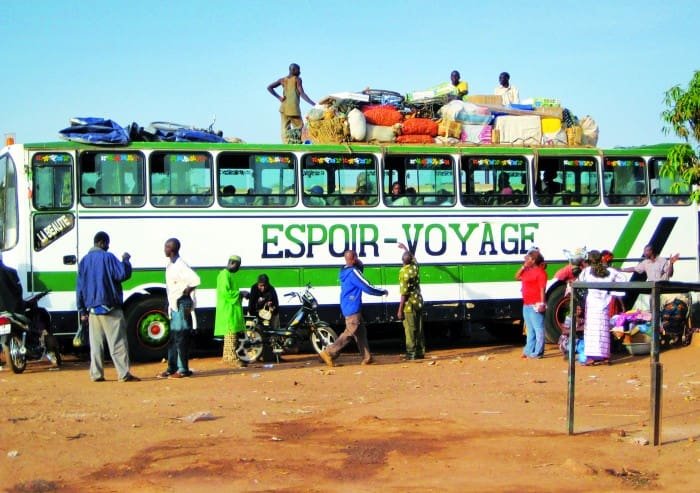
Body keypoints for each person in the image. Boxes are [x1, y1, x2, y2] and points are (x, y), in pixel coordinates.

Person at [76, 231, 140, 382]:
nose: (108, 246)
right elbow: (122, 274)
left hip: (92, 311)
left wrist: (81, 310)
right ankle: (123, 374)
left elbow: (79, 288)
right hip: (110, 308)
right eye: (107, 243)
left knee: (96, 345)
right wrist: (126, 260)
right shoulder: (108, 257)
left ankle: (96, 374)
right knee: (117, 343)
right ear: (103, 242)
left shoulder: (84, 261)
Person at [319, 250, 388, 367]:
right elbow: (366, 286)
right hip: (352, 306)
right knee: (350, 332)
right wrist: (381, 291)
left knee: (361, 333)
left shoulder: (344, 271)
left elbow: (360, 269)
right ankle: (329, 352)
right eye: (356, 257)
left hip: (347, 304)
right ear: (354, 258)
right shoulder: (353, 273)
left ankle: (367, 358)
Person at [159, 238, 201, 379]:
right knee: (173, 338)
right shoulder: (170, 265)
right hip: (174, 304)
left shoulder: (180, 265)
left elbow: (196, 279)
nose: (164, 249)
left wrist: (187, 290)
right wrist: (167, 303)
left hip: (182, 304)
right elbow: (170, 287)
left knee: (181, 337)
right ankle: (172, 368)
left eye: (167, 247)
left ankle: (183, 369)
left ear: (173, 249)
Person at [577, 250, 626, 366]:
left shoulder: (587, 271)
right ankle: (605, 357)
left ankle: (591, 358)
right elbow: (623, 279)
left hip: (592, 305)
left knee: (591, 331)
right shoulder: (610, 271)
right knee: (603, 330)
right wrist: (611, 289)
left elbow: (578, 282)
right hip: (604, 304)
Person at [620, 244, 680, 311]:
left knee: (664, 309)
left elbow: (670, 274)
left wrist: (671, 263)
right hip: (653, 290)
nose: (644, 253)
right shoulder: (645, 262)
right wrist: (621, 269)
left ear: (651, 251)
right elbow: (635, 268)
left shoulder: (662, 260)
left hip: (662, 289)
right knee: (653, 309)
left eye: (646, 251)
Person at [215, 255, 249, 367]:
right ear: (232, 263)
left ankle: (227, 357)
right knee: (231, 335)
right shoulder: (224, 275)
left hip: (231, 310)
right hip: (228, 311)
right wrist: (240, 293)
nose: (238, 269)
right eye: (238, 266)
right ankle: (231, 359)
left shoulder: (228, 275)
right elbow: (226, 293)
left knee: (231, 335)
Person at [267, 63, 315, 144]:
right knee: (300, 128)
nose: (300, 71)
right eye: (298, 70)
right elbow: (302, 93)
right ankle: (300, 145)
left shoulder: (282, 80)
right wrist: (313, 104)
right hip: (293, 109)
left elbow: (269, 87)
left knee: (284, 129)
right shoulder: (297, 79)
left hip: (283, 108)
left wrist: (279, 97)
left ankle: (286, 146)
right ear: (293, 70)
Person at [516, 247, 547, 359]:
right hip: (527, 304)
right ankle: (528, 350)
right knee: (530, 329)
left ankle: (538, 352)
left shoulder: (541, 273)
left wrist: (542, 304)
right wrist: (524, 266)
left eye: (528, 258)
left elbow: (542, 289)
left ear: (533, 260)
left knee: (538, 329)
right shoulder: (527, 271)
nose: (526, 259)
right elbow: (517, 277)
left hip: (535, 304)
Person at [397, 243, 424, 360]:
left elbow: (404, 293)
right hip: (418, 302)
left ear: (402, 261)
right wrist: (405, 249)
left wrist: (399, 309)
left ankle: (411, 353)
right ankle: (420, 351)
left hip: (409, 305)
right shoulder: (414, 268)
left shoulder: (403, 272)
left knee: (410, 330)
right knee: (419, 328)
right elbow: (414, 259)